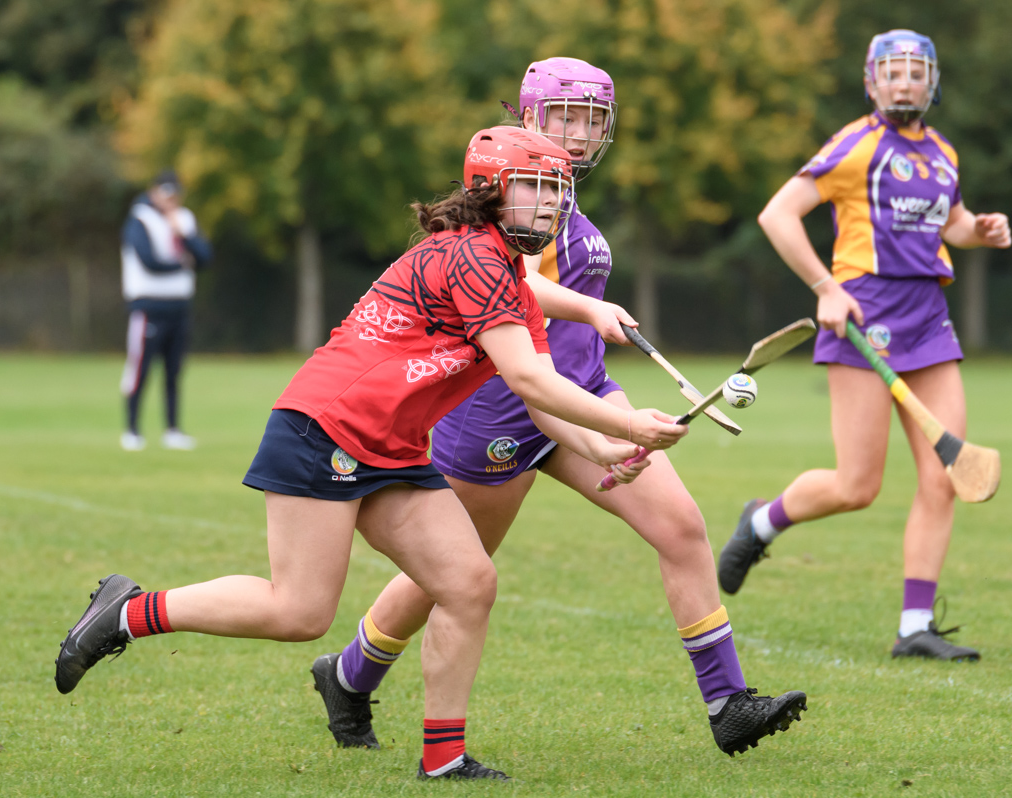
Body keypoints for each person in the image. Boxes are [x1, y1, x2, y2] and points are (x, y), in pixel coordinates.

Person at [55, 126, 689, 782]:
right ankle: (128, 612)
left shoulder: (513, 285)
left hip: (392, 448)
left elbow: (538, 404)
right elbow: (533, 381)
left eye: (557, 190)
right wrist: (627, 423)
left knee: (468, 583)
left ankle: (443, 760)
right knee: (298, 612)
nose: (551, 203)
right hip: (324, 429)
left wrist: (606, 445)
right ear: (490, 190)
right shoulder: (471, 257)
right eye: (535, 187)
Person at [310, 57, 807, 761]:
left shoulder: (566, 205)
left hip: (588, 397)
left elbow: (566, 336)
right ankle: (349, 673)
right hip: (500, 410)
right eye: (562, 117)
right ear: (527, 117)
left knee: (682, 528)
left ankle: (727, 704)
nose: (576, 134)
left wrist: (607, 394)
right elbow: (517, 306)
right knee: (455, 570)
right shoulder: (516, 209)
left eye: (590, 120)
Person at [718, 30, 1012, 661]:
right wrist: (826, 287)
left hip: (928, 319)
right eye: (893, 72)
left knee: (943, 476)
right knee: (858, 485)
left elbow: (952, 224)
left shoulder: (943, 154)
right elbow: (778, 214)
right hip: (861, 316)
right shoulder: (856, 145)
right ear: (871, 81)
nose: (904, 82)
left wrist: (979, 232)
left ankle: (914, 628)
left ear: (932, 82)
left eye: (915, 72)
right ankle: (761, 522)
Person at [118, 170, 213, 451]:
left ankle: (172, 429)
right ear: (154, 191)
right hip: (148, 304)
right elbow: (149, 261)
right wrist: (183, 263)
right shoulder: (139, 219)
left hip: (179, 306)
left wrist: (181, 234)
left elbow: (205, 257)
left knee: (174, 371)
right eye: (165, 193)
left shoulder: (183, 219)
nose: (169, 200)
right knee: (140, 369)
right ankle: (132, 430)